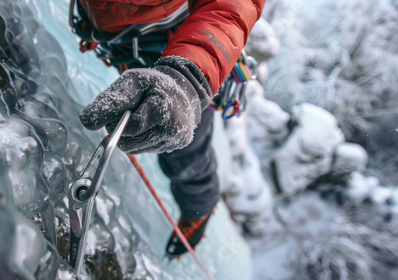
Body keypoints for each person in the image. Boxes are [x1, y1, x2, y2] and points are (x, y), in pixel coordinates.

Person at [72, 0, 265, 258]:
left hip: (184, 42)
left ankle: (199, 208)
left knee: (182, 156)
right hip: (127, 35)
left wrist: (188, 78)